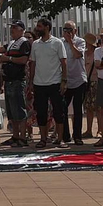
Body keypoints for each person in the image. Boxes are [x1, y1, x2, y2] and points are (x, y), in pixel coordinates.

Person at [26, 18, 68, 149]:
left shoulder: (57, 43)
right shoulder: (36, 44)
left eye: (39, 26)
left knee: (58, 112)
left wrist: (64, 81)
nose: (37, 29)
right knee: (41, 113)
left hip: (55, 82)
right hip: (39, 84)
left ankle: (60, 139)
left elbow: (64, 62)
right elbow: (32, 63)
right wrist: (31, 82)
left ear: (47, 27)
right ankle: (43, 139)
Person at [0, 19, 31, 147]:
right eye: (11, 27)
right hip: (9, 80)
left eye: (15, 28)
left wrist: (9, 59)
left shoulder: (24, 43)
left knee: (19, 109)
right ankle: (15, 135)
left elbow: (23, 60)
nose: (12, 30)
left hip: (18, 80)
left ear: (22, 30)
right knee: (11, 110)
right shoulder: (12, 43)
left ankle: (23, 137)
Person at [60, 22, 87, 147]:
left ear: (75, 30)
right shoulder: (60, 43)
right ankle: (65, 136)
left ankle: (78, 136)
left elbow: (77, 55)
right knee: (62, 109)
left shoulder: (80, 41)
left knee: (77, 110)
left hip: (79, 80)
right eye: (65, 29)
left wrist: (70, 42)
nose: (67, 32)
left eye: (69, 29)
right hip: (65, 80)